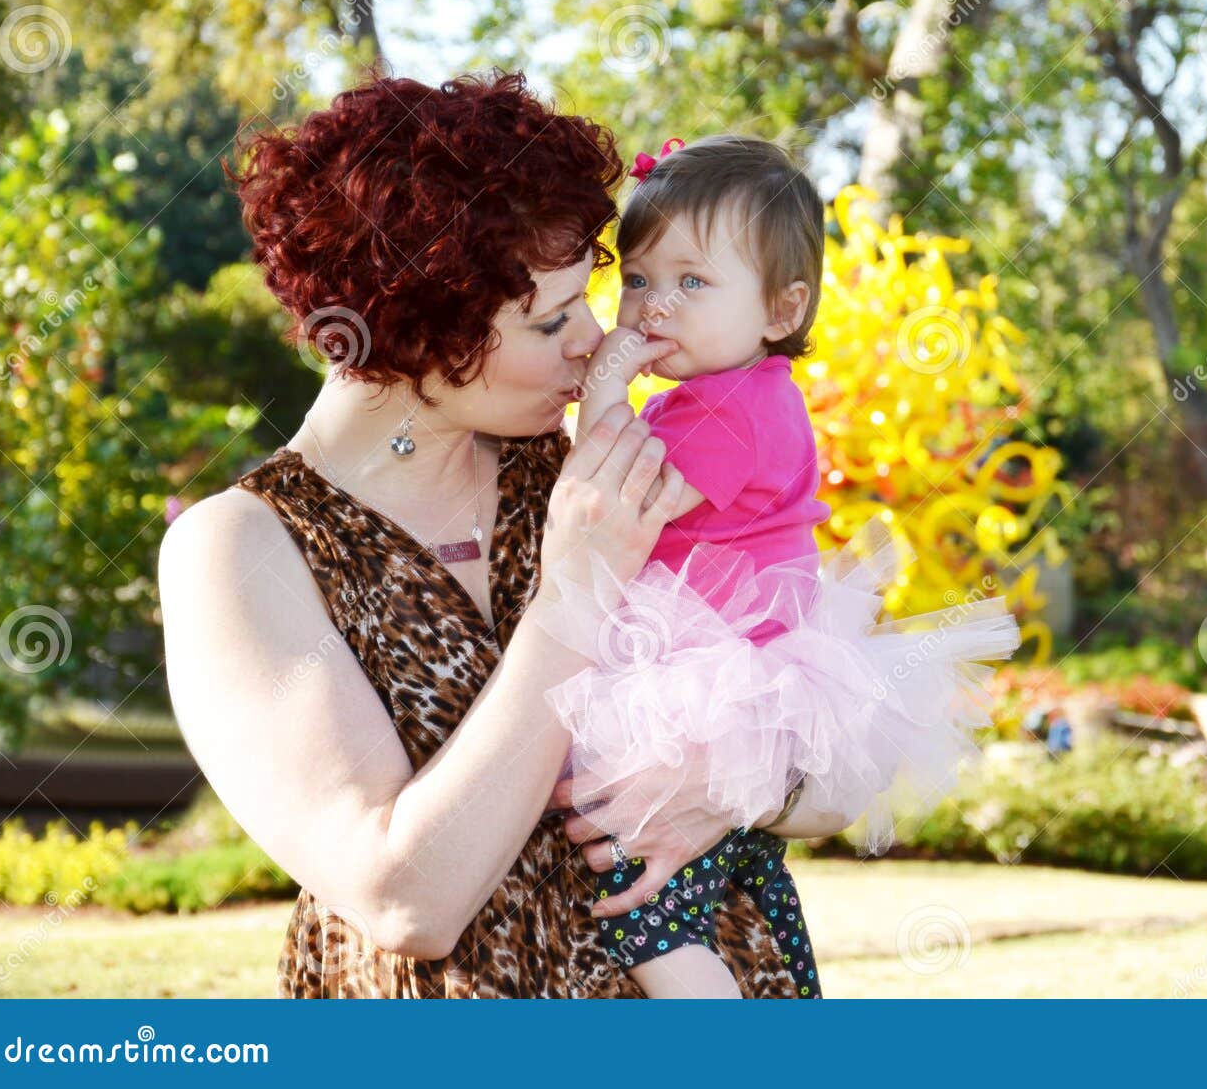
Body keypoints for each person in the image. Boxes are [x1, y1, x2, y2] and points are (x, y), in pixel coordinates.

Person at [158, 72, 850, 998]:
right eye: (552, 318)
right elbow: (408, 900)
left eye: (591, 297)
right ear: (420, 330)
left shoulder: (587, 471)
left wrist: (737, 789)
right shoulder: (240, 550)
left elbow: (847, 770)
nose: (599, 339)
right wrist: (573, 594)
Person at [542, 134, 1022, 998]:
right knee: (737, 877)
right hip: (734, 671)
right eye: (641, 279)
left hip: (718, 682)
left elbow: (621, 497)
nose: (654, 307)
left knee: (641, 905)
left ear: (779, 309)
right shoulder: (728, 396)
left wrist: (606, 387)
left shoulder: (733, 409)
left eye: (693, 282)